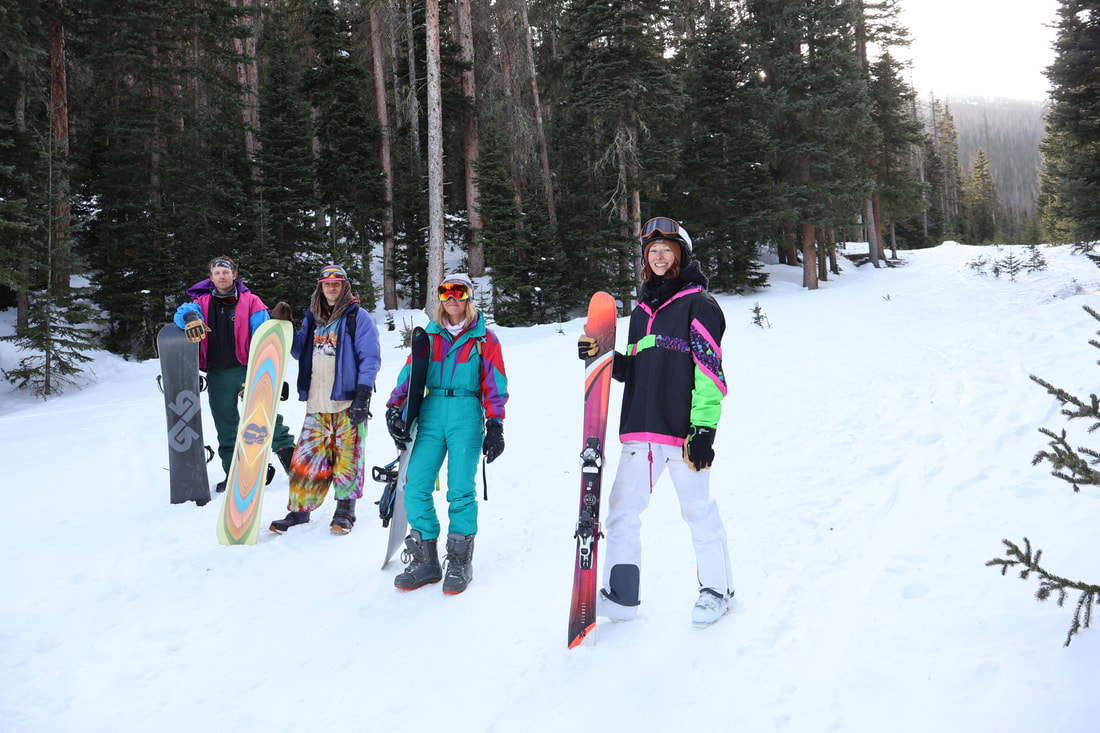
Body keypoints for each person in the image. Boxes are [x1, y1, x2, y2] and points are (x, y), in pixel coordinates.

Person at [578, 217, 734, 628]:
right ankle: (623, 594)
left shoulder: (700, 305)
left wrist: (703, 432)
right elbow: (638, 368)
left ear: (680, 255)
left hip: (681, 433)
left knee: (697, 510)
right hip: (640, 430)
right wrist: (604, 356)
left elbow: (710, 374)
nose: (660, 256)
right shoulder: (642, 311)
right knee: (622, 510)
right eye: (653, 251)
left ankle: (717, 591)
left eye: (667, 250)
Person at [385, 273, 509, 594]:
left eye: (458, 291)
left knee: (460, 490)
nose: (451, 297)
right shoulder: (430, 335)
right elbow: (410, 374)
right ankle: (427, 559)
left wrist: (495, 424)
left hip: (466, 413)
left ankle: (459, 561)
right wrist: (394, 407)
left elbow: (495, 384)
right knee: (414, 485)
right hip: (431, 410)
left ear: (468, 296)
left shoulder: (484, 339)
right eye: (445, 292)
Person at [269, 264, 381, 535]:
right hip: (317, 403)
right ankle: (299, 511)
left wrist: (363, 396)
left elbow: (370, 357)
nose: (332, 287)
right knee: (305, 459)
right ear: (320, 286)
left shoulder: (358, 317)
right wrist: (284, 324)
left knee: (348, 458)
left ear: (344, 286)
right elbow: (299, 351)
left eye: (337, 283)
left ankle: (345, 511)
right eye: (327, 283)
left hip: (347, 401)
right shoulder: (312, 317)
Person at [174, 255, 296, 493]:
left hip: (247, 370)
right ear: (211, 278)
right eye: (217, 273)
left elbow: (265, 340)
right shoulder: (202, 302)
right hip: (217, 373)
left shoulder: (251, 302)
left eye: (226, 272)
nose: (222, 276)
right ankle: (234, 474)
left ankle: (295, 468)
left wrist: (269, 375)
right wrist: (189, 317)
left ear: (234, 275)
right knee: (226, 426)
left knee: (264, 418)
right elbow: (183, 311)